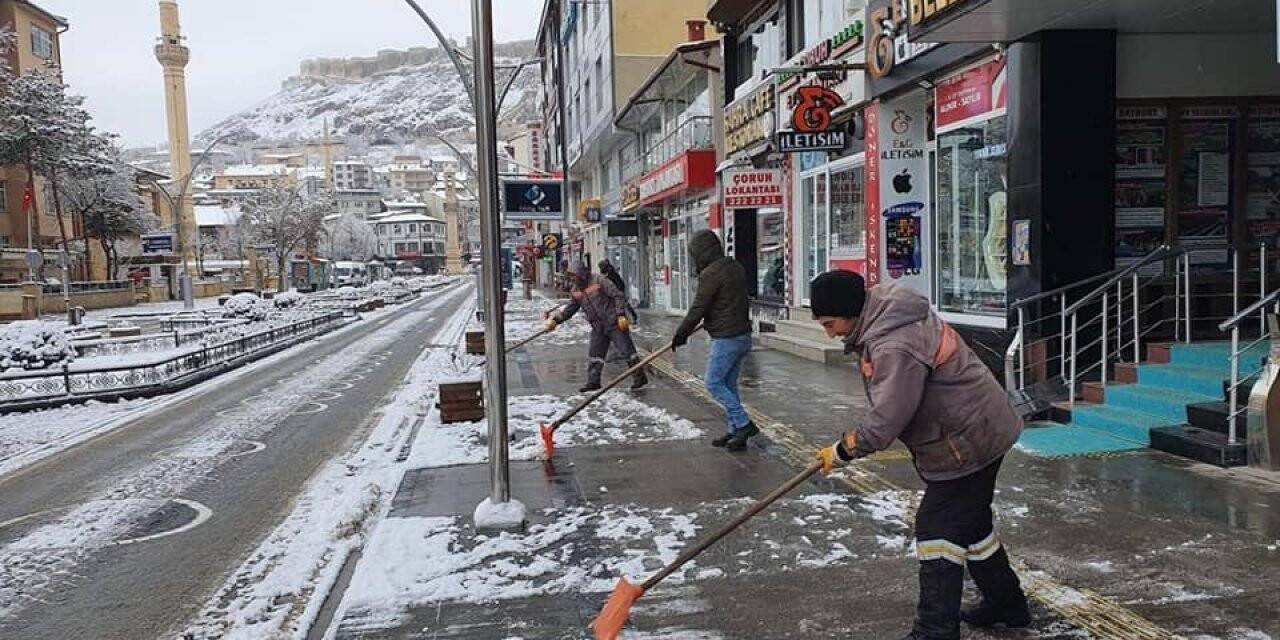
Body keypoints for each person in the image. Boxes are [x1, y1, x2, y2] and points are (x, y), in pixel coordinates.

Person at [810, 270, 1028, 640]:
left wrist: (845, 449)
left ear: (849, 311)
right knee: (972, 524)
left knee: (937, 528)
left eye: (830, 323)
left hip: (970, 438)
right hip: (976, 428)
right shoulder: (886, 318)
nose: (829, 333)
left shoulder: (894, 343)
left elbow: (888, 417)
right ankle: (1007, 604)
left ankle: (935, 629)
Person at [670, 230, 756, 451]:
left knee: (713, 382)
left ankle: (744, 423)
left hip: (727, 338)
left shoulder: (712, 273)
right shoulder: (734, 266)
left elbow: (699, 307)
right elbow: (724, 302)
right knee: (728, 384)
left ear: (702, 253)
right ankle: (735, 431)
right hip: (742, 335)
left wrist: (681, 334)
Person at [546, 261, 648, 392]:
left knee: (627, 351)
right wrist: (555, 321)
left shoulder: (599, 280)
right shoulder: (575, 290)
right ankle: (593, 382)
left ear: (581, 274)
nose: (572, 280)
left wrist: (621, 314)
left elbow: (618, 295)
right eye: (570, 277)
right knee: (595, 354)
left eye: (574, 276)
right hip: (598, 327)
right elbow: (570, 309)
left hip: (614, 322)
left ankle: (640, 377)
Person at [598, 259, 637, 323]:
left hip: (618, 290)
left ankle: (632, 318)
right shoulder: (609, 271)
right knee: (623, 304)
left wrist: (619, 291)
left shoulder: (610, 273)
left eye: (601, 267)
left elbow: (616, 283)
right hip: (617, 290)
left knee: (623, 304)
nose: (601, 269)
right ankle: (631, 317)